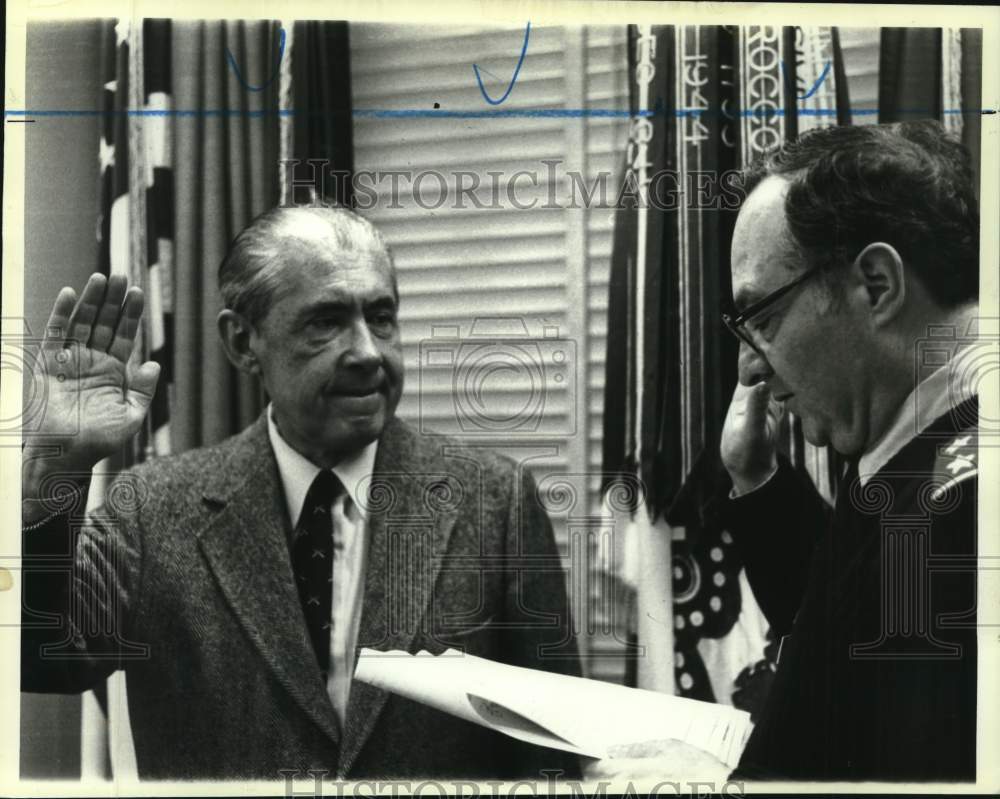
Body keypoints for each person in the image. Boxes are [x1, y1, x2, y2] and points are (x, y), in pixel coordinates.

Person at [20, 206, 581, 781]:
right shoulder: (151, 511)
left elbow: (553, 753)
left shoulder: (495, 501)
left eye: (381, 317)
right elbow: (40, 658)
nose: (368, 351)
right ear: (243, 342)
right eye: (326, 322)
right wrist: (50, 475)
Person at [587, 120, 981, 784]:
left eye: (764, 319)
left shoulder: (967, 511)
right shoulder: (921, 439)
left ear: (877, 285)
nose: (750, 366)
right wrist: (759, 479)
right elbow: (857, 649)